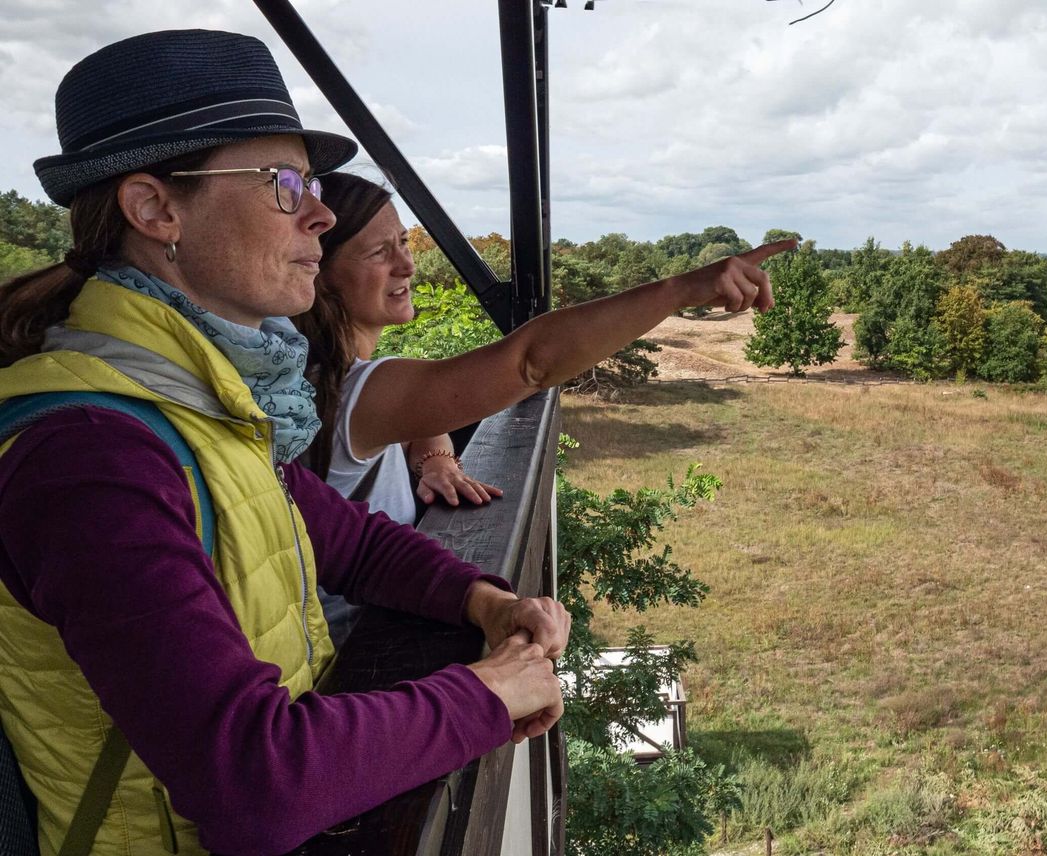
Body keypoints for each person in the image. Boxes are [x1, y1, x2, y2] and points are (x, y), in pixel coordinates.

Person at [0, 30, 571, 855]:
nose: (323, 211)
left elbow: (353, 545)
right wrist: (490, 692)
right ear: (156, 209)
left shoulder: (199, 401)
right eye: (283, 181)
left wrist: (488, 603)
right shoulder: (90, 456)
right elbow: (252, 782)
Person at [293, 174, 795, 643]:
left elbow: (419, 412)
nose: (406, 264)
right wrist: (680, 290)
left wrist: (434, 454)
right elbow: (531, 364)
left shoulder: (313, 380)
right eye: (379, 253)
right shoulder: (347, 391)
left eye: (403, 242)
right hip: (358, 653)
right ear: (320, 272)